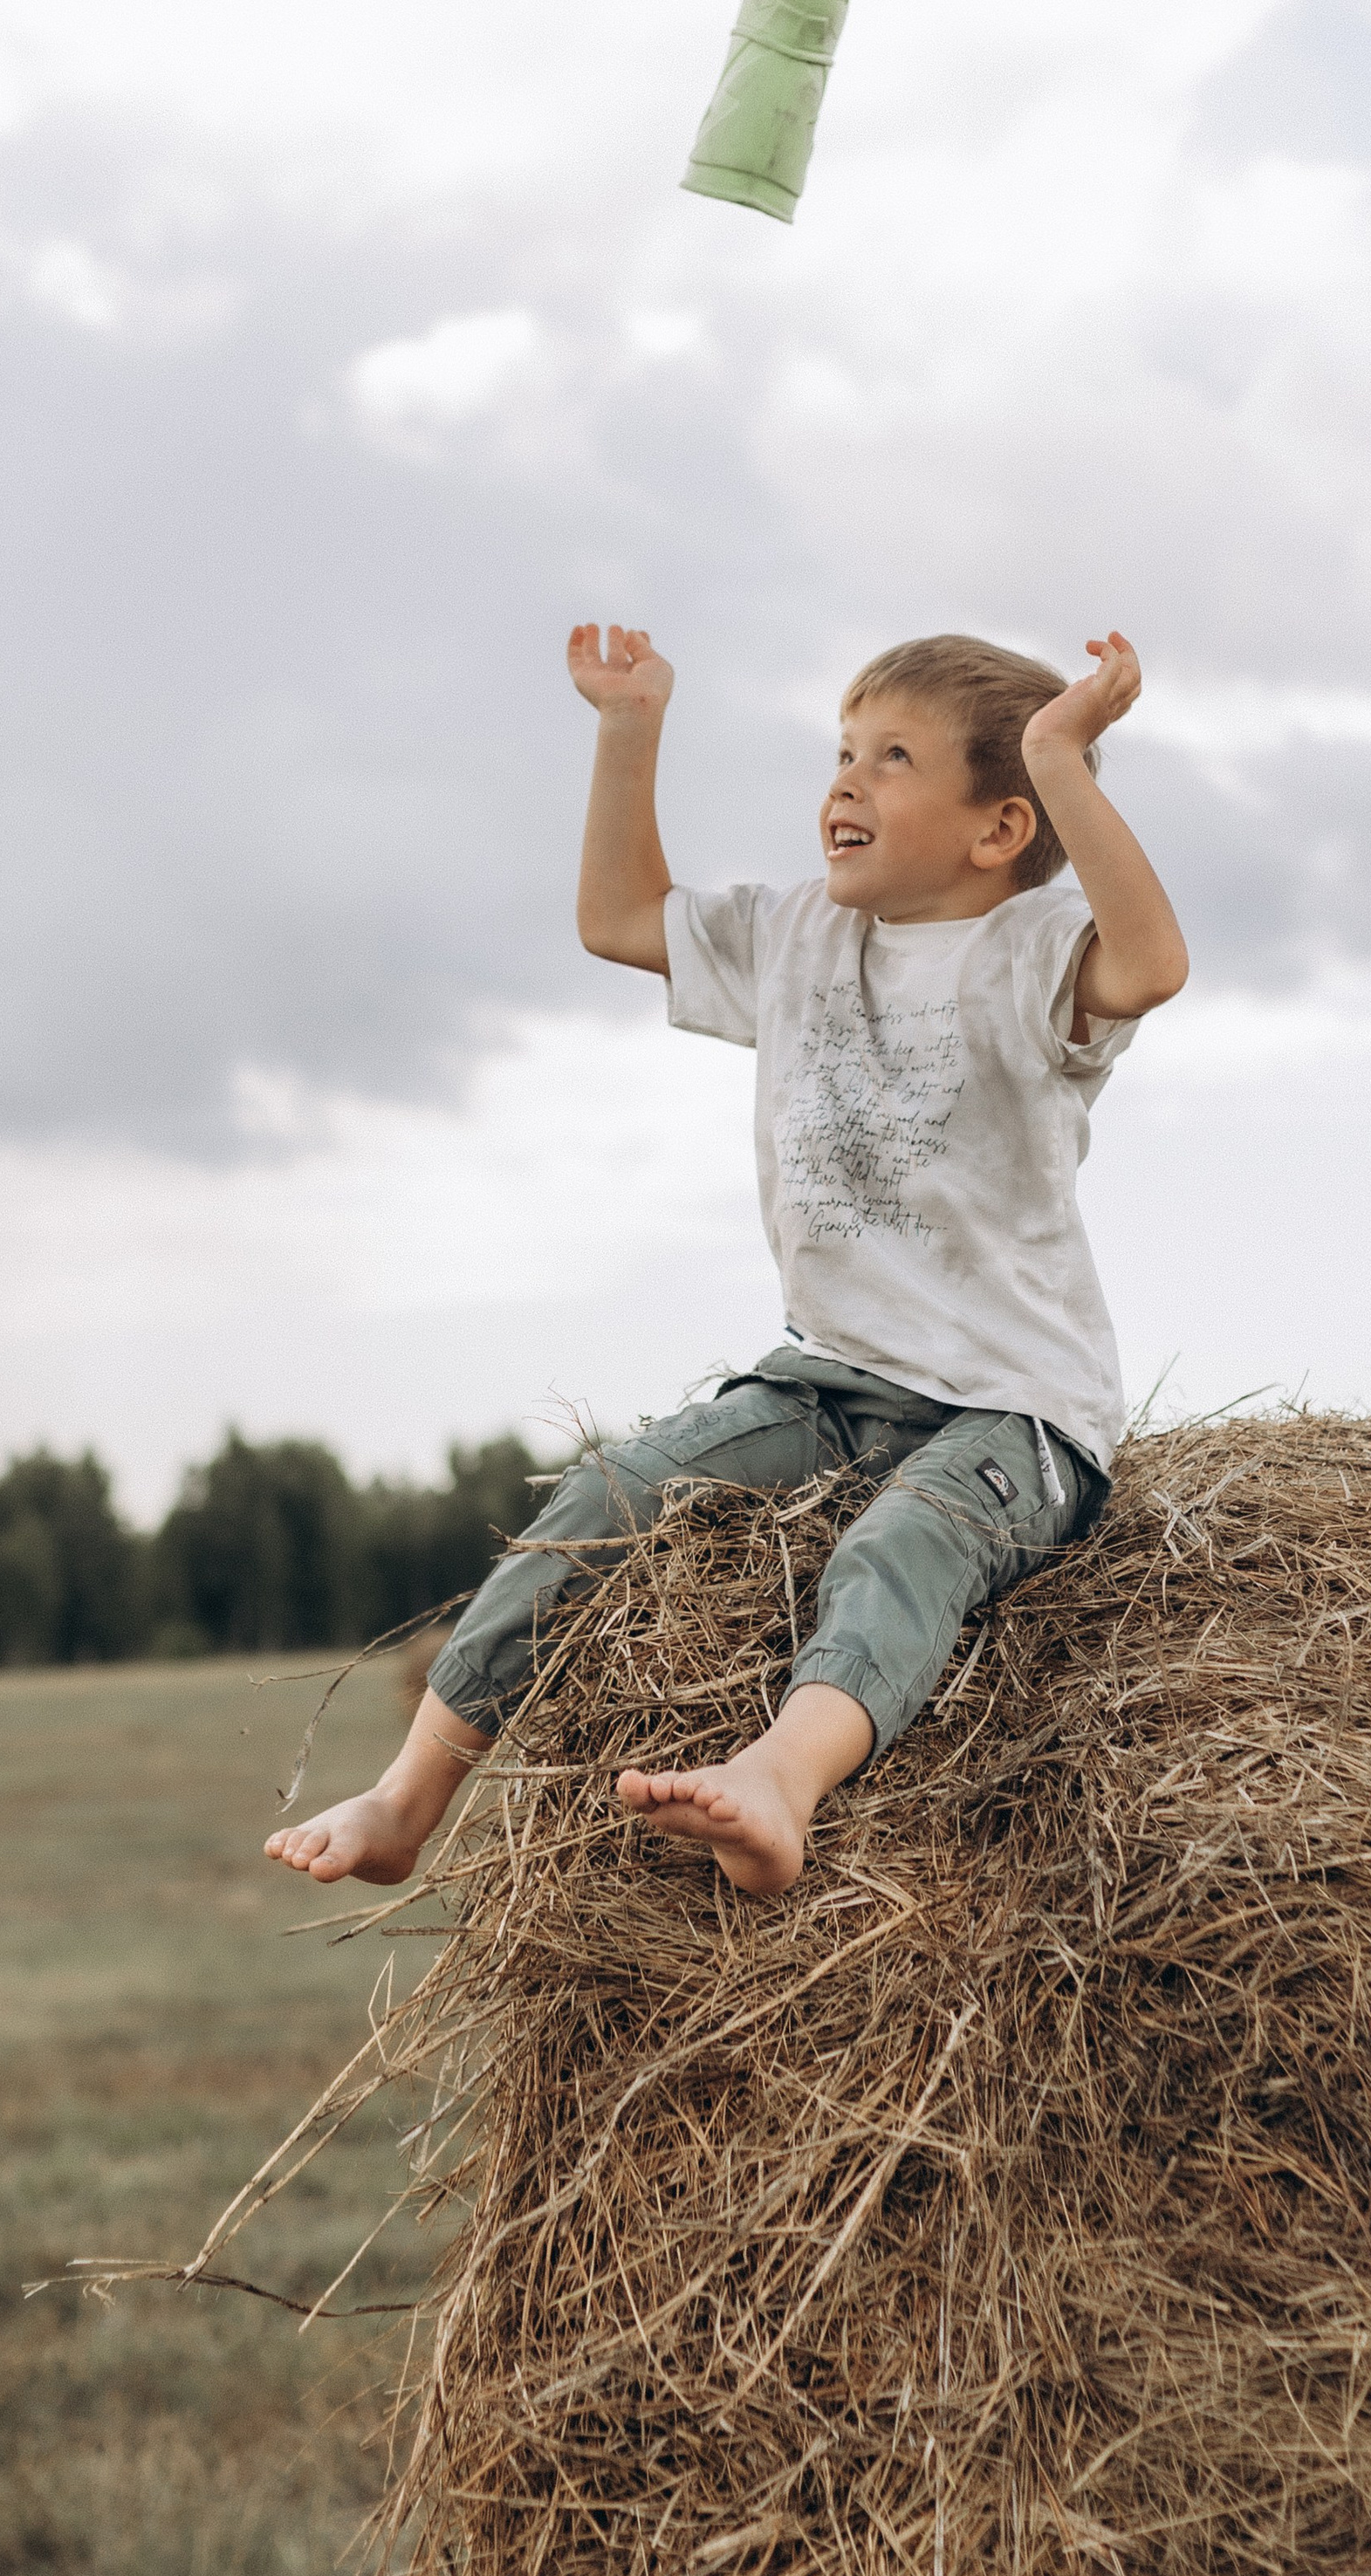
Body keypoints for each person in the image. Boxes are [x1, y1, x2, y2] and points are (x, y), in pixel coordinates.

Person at [266, 621, 1188, 1900]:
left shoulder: (1034, 957)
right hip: (831, 1378)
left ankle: (780, 1779)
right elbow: (619, 916)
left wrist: (1060, 759)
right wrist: (629, 726)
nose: (847, 782)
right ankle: (410, 1793)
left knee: (901, 1545)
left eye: (895, 757)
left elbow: (1152, 964)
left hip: (1015, 1405)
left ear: (999, 829)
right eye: (843, 750)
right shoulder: (800, 935)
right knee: (608, 1497)